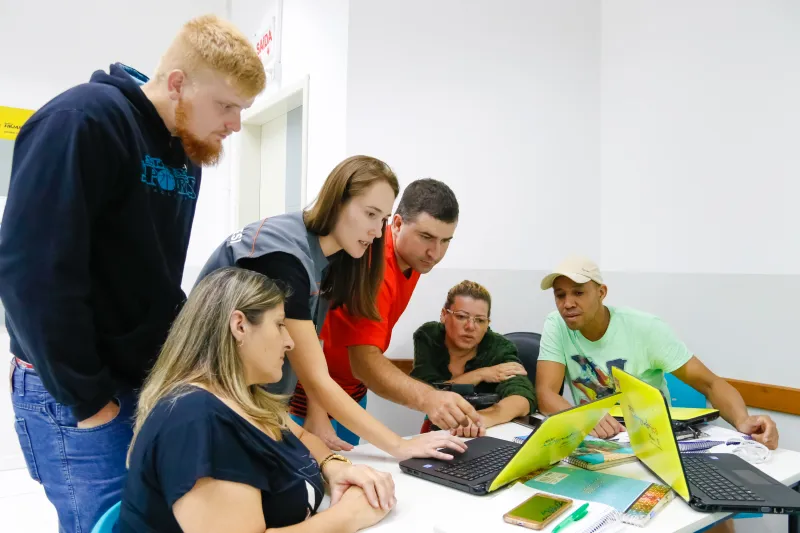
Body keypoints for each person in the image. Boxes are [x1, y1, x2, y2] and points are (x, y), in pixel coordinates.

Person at [1, 15, 264, 531]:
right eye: (227, 106)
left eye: (242, 111)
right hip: (76, 389)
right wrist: (88, 400)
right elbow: (32, 273)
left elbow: (150, 275)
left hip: (143, 384)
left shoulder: (186, 153)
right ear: (176, 84)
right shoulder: (82, 121)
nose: (235, 124)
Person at [196, 158, 468, 460]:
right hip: (214, 400)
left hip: (264, 405)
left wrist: (318, 410)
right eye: (370, 214)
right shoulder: (283, 256)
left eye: (382, 219)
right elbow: (316, 374)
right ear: (337, 202)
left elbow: (316, 335)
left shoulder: (337, 256)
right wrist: (399, 445)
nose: (378, 232)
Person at [121, 267, 396, 533]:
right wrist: (349, 515)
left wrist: (334, 467)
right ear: (239, 325)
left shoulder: (245, 398)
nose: (289, 342)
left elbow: (302, 437)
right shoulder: (196, 419)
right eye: (279, 325)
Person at [289, 179, 482, 450]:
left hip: (353, 392)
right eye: (426, 237)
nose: (435, 253)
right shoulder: (372, 263)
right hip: (310, 398)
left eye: (445, 241)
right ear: (398, 224)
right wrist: (429, 399)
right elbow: (364, 362)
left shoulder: (414, 259)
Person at [535, 255, 779, 449]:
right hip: (597, 445)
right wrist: (584, 417)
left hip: (653, 444)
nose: (567, 303)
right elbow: (545, 393)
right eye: (560, 295)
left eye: (578, 292)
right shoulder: (557, 325)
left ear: (601, 293)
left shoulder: (645, 328)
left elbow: (710, 384)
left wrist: (742, 420)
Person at [411, 280, 537, 437]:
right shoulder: (429, 336)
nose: (471, 327)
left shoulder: (499, 347)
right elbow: (422, 392)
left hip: (487, 431)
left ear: (487, 324)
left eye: (480, 320)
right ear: (444, 315)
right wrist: (480, 374)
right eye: (462, 316)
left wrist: (480, 419)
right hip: (438, 426)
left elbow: (522, 398)